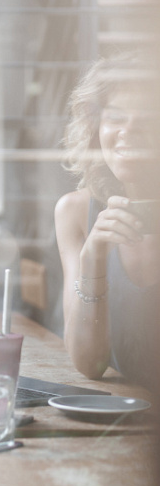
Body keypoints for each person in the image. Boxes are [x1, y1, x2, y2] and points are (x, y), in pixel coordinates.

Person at [54, 52, 160, 390]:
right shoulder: (74, 213)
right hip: (127, 419)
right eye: (116, 117)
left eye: (147, 119)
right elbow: (89, 365)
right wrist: (93, 257)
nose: (128, 131)